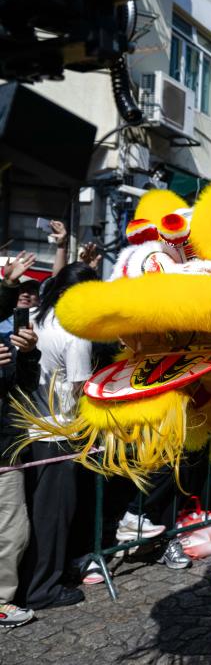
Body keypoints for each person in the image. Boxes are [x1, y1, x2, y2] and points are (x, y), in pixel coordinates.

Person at [18, 262, 98, 610]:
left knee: (35, 513)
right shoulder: (75, 333)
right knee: (53, 515)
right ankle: (43, 589)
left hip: (29, 427)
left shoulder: (36, 316)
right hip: (60, 431)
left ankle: (33, 580)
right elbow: (81, 389)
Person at [0, 252, 42, 628]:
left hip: (6, 449)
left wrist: (27, 354)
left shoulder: (7, 341)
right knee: (11, 529)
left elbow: (23, 385)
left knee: (13, 530)